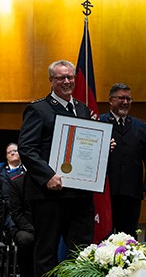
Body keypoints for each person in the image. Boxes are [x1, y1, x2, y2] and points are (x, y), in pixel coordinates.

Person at [18, 60, 95, 277]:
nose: (67, 81)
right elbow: (26, 149)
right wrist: (48, 176)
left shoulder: (82, 109)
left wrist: (103, 147)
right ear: (51, 81)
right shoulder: (38, 109)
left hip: (80, 194)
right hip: (49, 194)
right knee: (46, 253)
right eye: (61, 78)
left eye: (70, 77)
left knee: (82, 253)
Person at [100, 83, 146, 238]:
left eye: (128, 99)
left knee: (128, 235)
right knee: (104, 234)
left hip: (131, 191)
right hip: (105, 191)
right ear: (111, 100)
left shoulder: (141, 127)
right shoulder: (99, 123)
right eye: (121, 98)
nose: (125, 102)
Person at [8, 173, 34, 277]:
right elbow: (16, 213)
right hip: (24, 227)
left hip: (46, 226)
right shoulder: (18, 182)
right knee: (26, 239)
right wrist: (32, 229)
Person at [0, 143, 26, 234]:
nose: (12, 153)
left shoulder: (28, 169)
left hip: (26, 206)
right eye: (9, 152)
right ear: (6, 156)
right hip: (8, 211)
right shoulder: (1, 170)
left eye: (15, 151)